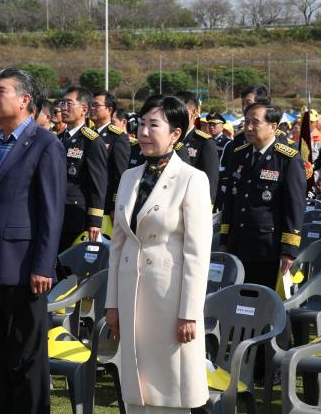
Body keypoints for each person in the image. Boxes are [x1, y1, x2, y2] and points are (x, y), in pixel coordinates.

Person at [0, 68, 67, 414]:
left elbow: (51, 212)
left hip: (23, 269)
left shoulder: (44, 144)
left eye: (0, 91)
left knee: (25, 359)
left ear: (24, 100)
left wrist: (42, 264)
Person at [105, 95, 211, 414]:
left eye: (154, 125)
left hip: (169, 300)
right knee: (136, 390)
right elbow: (118, 245)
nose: (145, 132)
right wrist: (112, 302)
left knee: (169, 390)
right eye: (141, 124)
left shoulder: (192, 179)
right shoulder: (129, 177)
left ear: (176, 134)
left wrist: (189, 312)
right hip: (130, 295)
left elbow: (197, 251)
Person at [220, 103, 306, 288]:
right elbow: (231, 202)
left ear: (273, 126)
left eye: (255, 122)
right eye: (246, 122)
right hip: (238, 244)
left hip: (266, 248)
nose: (249, 127)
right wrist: (225, 239)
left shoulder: (287, 158)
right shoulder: (239, 155)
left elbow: (295, 207)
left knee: (261, 303)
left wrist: (289, 251)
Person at [58, 86, 107, 249]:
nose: (63, 108)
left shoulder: (91, 141)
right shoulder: (56, 139)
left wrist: (94, 221)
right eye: (62, 103)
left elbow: (98, 184)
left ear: (84, 109)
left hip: (74, 215)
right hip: (54, 211)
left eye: (69, 103)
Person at [175, 91, 220, 206]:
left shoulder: (204, 143)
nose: (174, 114)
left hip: (192, 205)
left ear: (194, 112)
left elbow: (210, 183)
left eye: (179, 110)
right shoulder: (168, 139)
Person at [91, 91, 131, 217]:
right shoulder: (86, 135)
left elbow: (120, 176)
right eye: (91, 104)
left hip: (105, 206)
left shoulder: (117, 137)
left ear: (109, 110)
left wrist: (115, 205)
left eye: (96, 105)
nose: (92, 108)